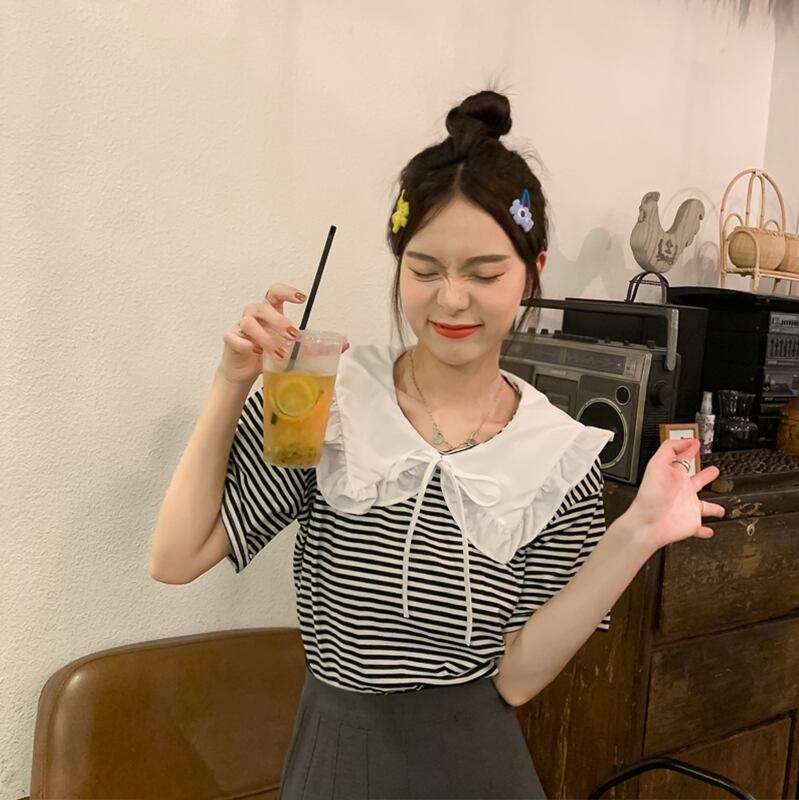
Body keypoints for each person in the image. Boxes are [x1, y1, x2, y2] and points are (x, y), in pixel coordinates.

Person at [150, 90, 726, 800]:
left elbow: (518, 679)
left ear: (532, 271)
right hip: (339, 761)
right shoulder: (333, 402)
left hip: (481, 767)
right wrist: (231, 382)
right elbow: (176, 557)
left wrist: (638, 531)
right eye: (425, 270)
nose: (452, 299)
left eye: (484, 273)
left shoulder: (557, 455)